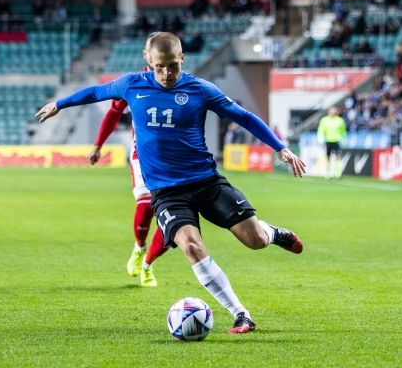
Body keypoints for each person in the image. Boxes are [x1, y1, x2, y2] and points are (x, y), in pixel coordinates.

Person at [36, 32, 306, 334]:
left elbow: (243, 117)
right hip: (166, 192)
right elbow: (95, 92)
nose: (166, 74)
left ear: (182, 59)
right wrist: (60, 103)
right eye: (159, 67)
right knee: (191, 246)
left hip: (207, 182)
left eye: (172, 67)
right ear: (148, 60)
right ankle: (240, 314)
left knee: (254, 240)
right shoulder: (131, 85)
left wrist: (280, 147)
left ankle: (275, 233)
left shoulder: (200, 89)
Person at [86, 32, 168, 287]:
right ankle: (139, 248)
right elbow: (113, 112)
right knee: (146, 208)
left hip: (176, 159)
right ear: (146, 54)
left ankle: (147, 264)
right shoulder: (134, 83)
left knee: (173, 224)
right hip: (142, 155)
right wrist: (98, 145)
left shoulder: (179, 81)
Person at [317, 106, 347, 180]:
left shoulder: (340, 121)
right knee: (328, 157)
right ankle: (327, 174)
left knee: (337, 156)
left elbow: (343, 131)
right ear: (329, 112)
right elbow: (321, 131)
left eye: (334, 112)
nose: (332, 113)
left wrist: (344, 140)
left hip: (336, 141)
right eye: (331, 112)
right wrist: (320, 140)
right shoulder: (324, 120)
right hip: (328, 141)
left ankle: (338, 173)